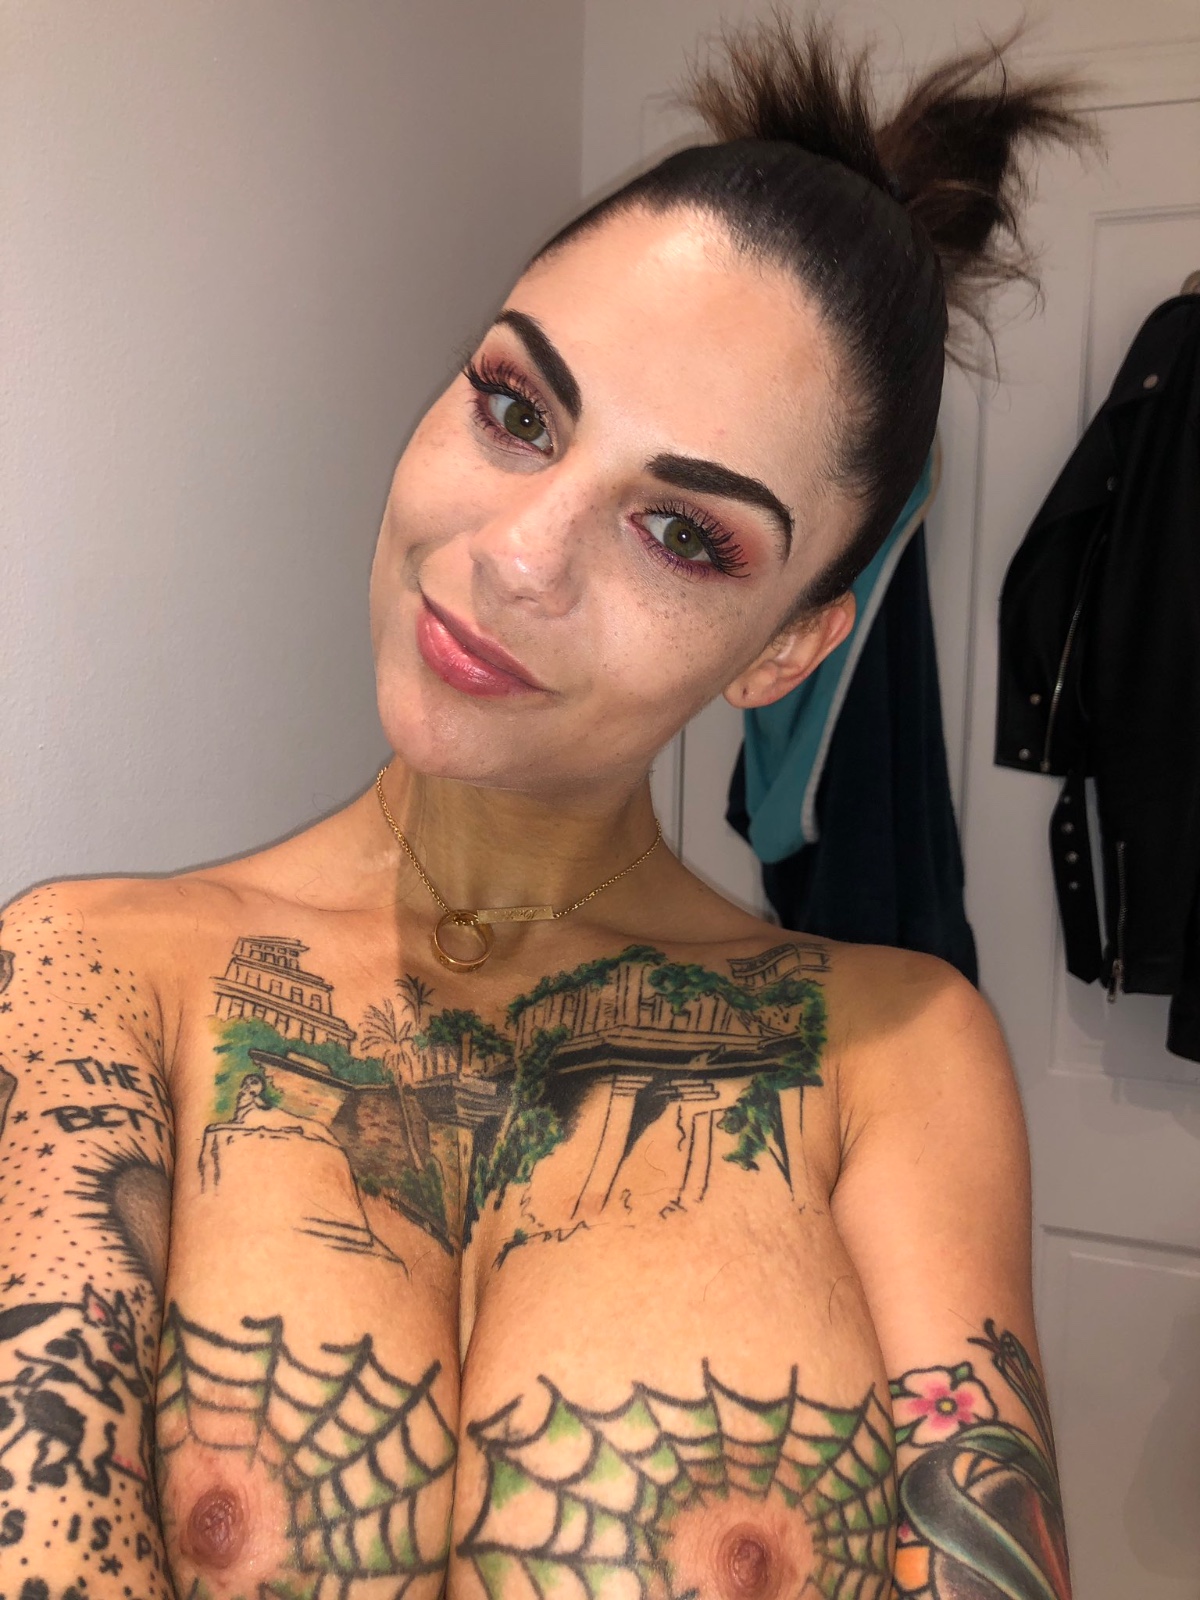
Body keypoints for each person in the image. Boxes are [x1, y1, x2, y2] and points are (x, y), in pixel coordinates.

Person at [0, 17, 1091, 1600]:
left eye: (684, 532)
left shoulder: (897, 1058)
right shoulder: (86, 970)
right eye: (518, 408)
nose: (519, 555)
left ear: (786, 649)